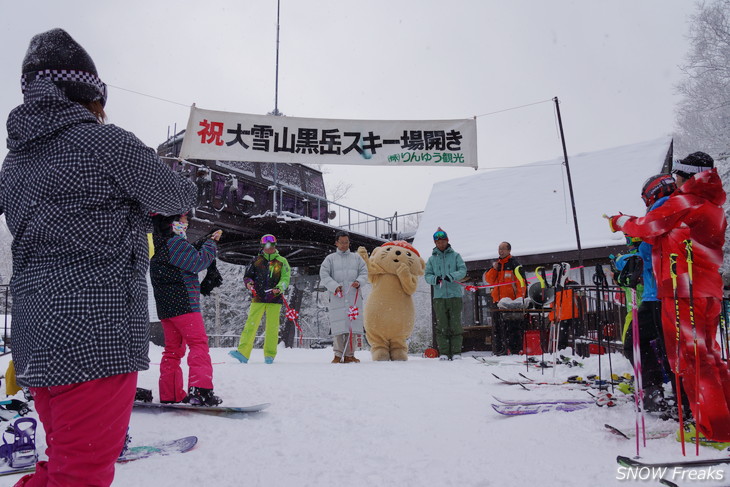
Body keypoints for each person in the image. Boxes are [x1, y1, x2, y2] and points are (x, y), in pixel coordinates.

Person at [0, 29, 197, 486]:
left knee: (64, 466)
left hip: (36, 342)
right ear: (86, 94)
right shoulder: (105, 143)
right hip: (94, 338)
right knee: (80, 475)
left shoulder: (13, 162)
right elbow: (175, 196)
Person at [607, 152, 730, 441]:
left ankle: (712, 429)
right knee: (710, 357)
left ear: (689, 176)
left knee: (694, 360)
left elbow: (646, 227)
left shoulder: (685, 201)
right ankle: (721, 420)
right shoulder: (713, 205)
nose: (676, 182)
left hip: (684, 291)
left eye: (678, 177)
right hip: (707, 289)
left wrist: (618, 220)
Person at [149, 214, 222, 406]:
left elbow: (185, 261)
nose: (186, 223)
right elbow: (199, 262)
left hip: (166, 310)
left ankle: (170, 394)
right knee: (198, 344)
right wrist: (211, 244)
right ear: (171, 223)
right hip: (185, 305)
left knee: (172, 351)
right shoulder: (174, 243)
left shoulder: (159, 246)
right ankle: (200, 391)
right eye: (183, 219)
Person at [229, 234, 291, 364]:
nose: (269, 248)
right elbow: (247, 276)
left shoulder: (282, 261)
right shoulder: (256, 260)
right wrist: (249, 283)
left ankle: (269, 355)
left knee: (272, 327)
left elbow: (285, 278)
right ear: (262, 246)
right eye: (266, 246)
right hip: (258, 297)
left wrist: (279, 288)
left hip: (274, 298)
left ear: (275, 245)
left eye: (271, 245)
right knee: (251, 324)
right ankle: (243, 353)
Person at [319, 231, 368, 363]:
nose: (344, 245)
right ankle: (338, 354)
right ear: (336, 243)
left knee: (352, 325)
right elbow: (324, 274)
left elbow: (364, 272)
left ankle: (349, 354)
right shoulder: (330, 259)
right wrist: (334, 286)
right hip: (337, 296)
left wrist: (359, 281)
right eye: (342, 242)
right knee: (339, 327)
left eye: (346, 242)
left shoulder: (357, 258)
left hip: (353, 296)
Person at [424, 228, 467, 360]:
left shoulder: (455, 256)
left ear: (447, 241)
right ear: (435, 243)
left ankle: (456, 352)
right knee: (442, 325)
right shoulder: (431, 259)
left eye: (443, 241)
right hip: (439, 297)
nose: (440, 244)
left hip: (455, 296)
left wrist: (451, 276)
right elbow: (427, 276)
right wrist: (434, 279)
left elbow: (463, 270)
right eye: (438, 242)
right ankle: (443, 352)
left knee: (455, 325)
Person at [484, 242, 525, 355]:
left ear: (509, 250)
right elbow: (489, 280)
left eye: (503, 249)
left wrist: (519, 300)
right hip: (497, 302)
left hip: (511, 303)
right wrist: (494, 269)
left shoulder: (515, 264)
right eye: (499, 248)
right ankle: (499, 351)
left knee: (512, 327)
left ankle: (515, 351)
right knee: (497, 328)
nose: (500, 251)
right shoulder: (497, 265)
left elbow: (522, 284)